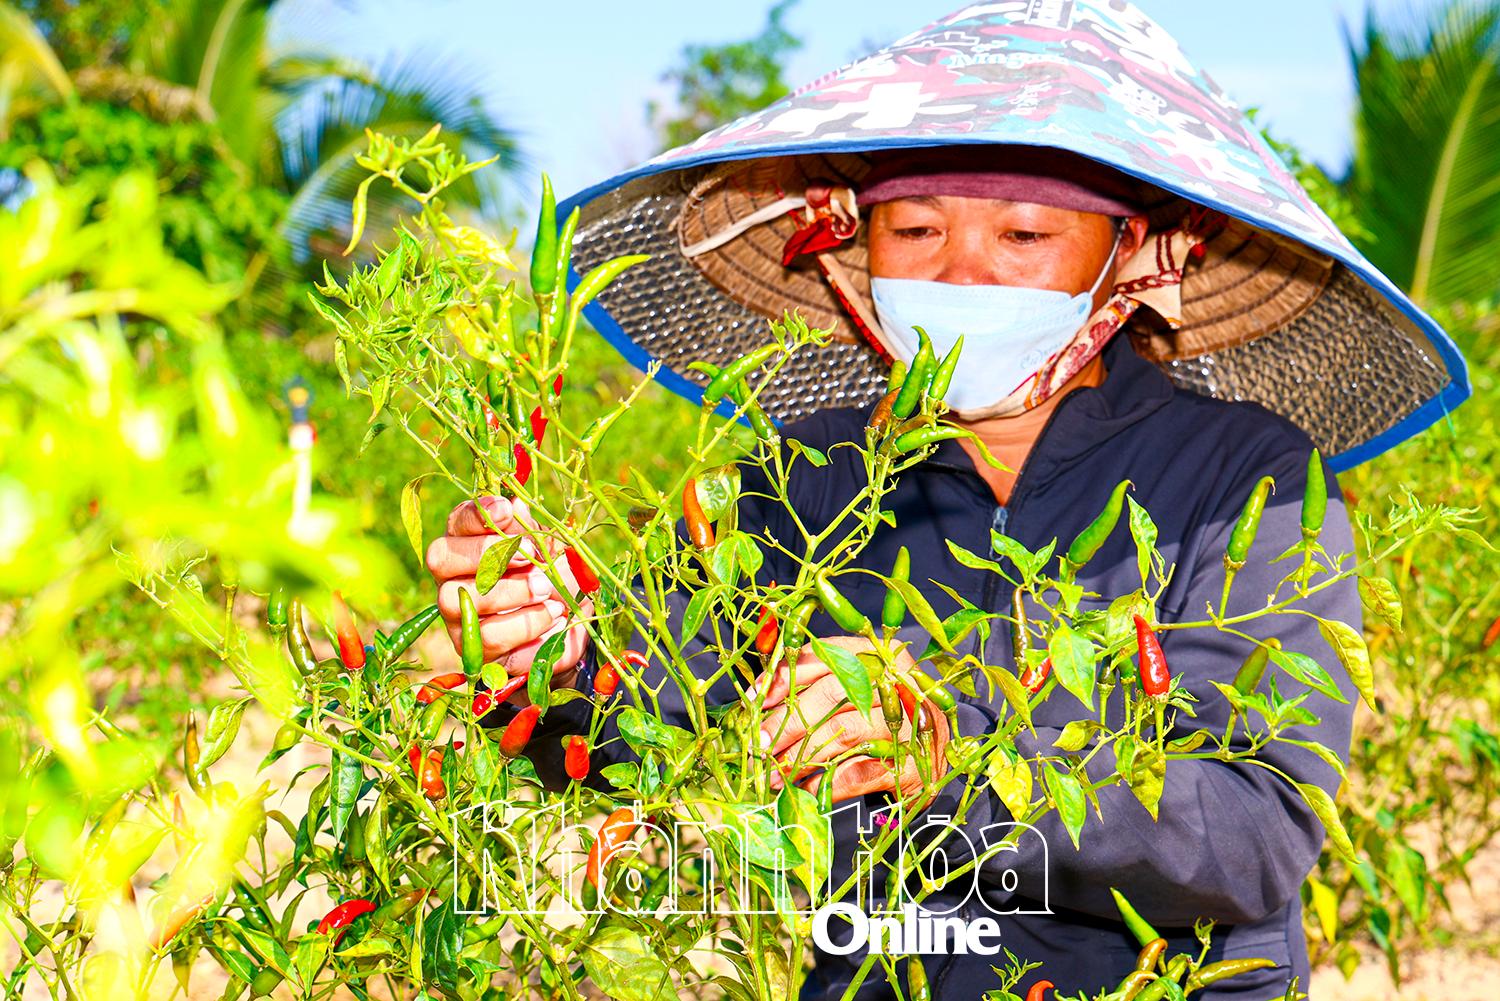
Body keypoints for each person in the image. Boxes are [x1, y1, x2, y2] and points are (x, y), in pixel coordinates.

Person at [425, 4, 1467, 997]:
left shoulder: (1242, 477)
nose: (963, 275)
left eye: (1023, 236)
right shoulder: (801, 480)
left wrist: (951, 751)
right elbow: (645, 726)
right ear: (856, 253)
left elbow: (1254, 829)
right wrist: (551, 656)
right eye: (917, 229)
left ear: (1131, 257)